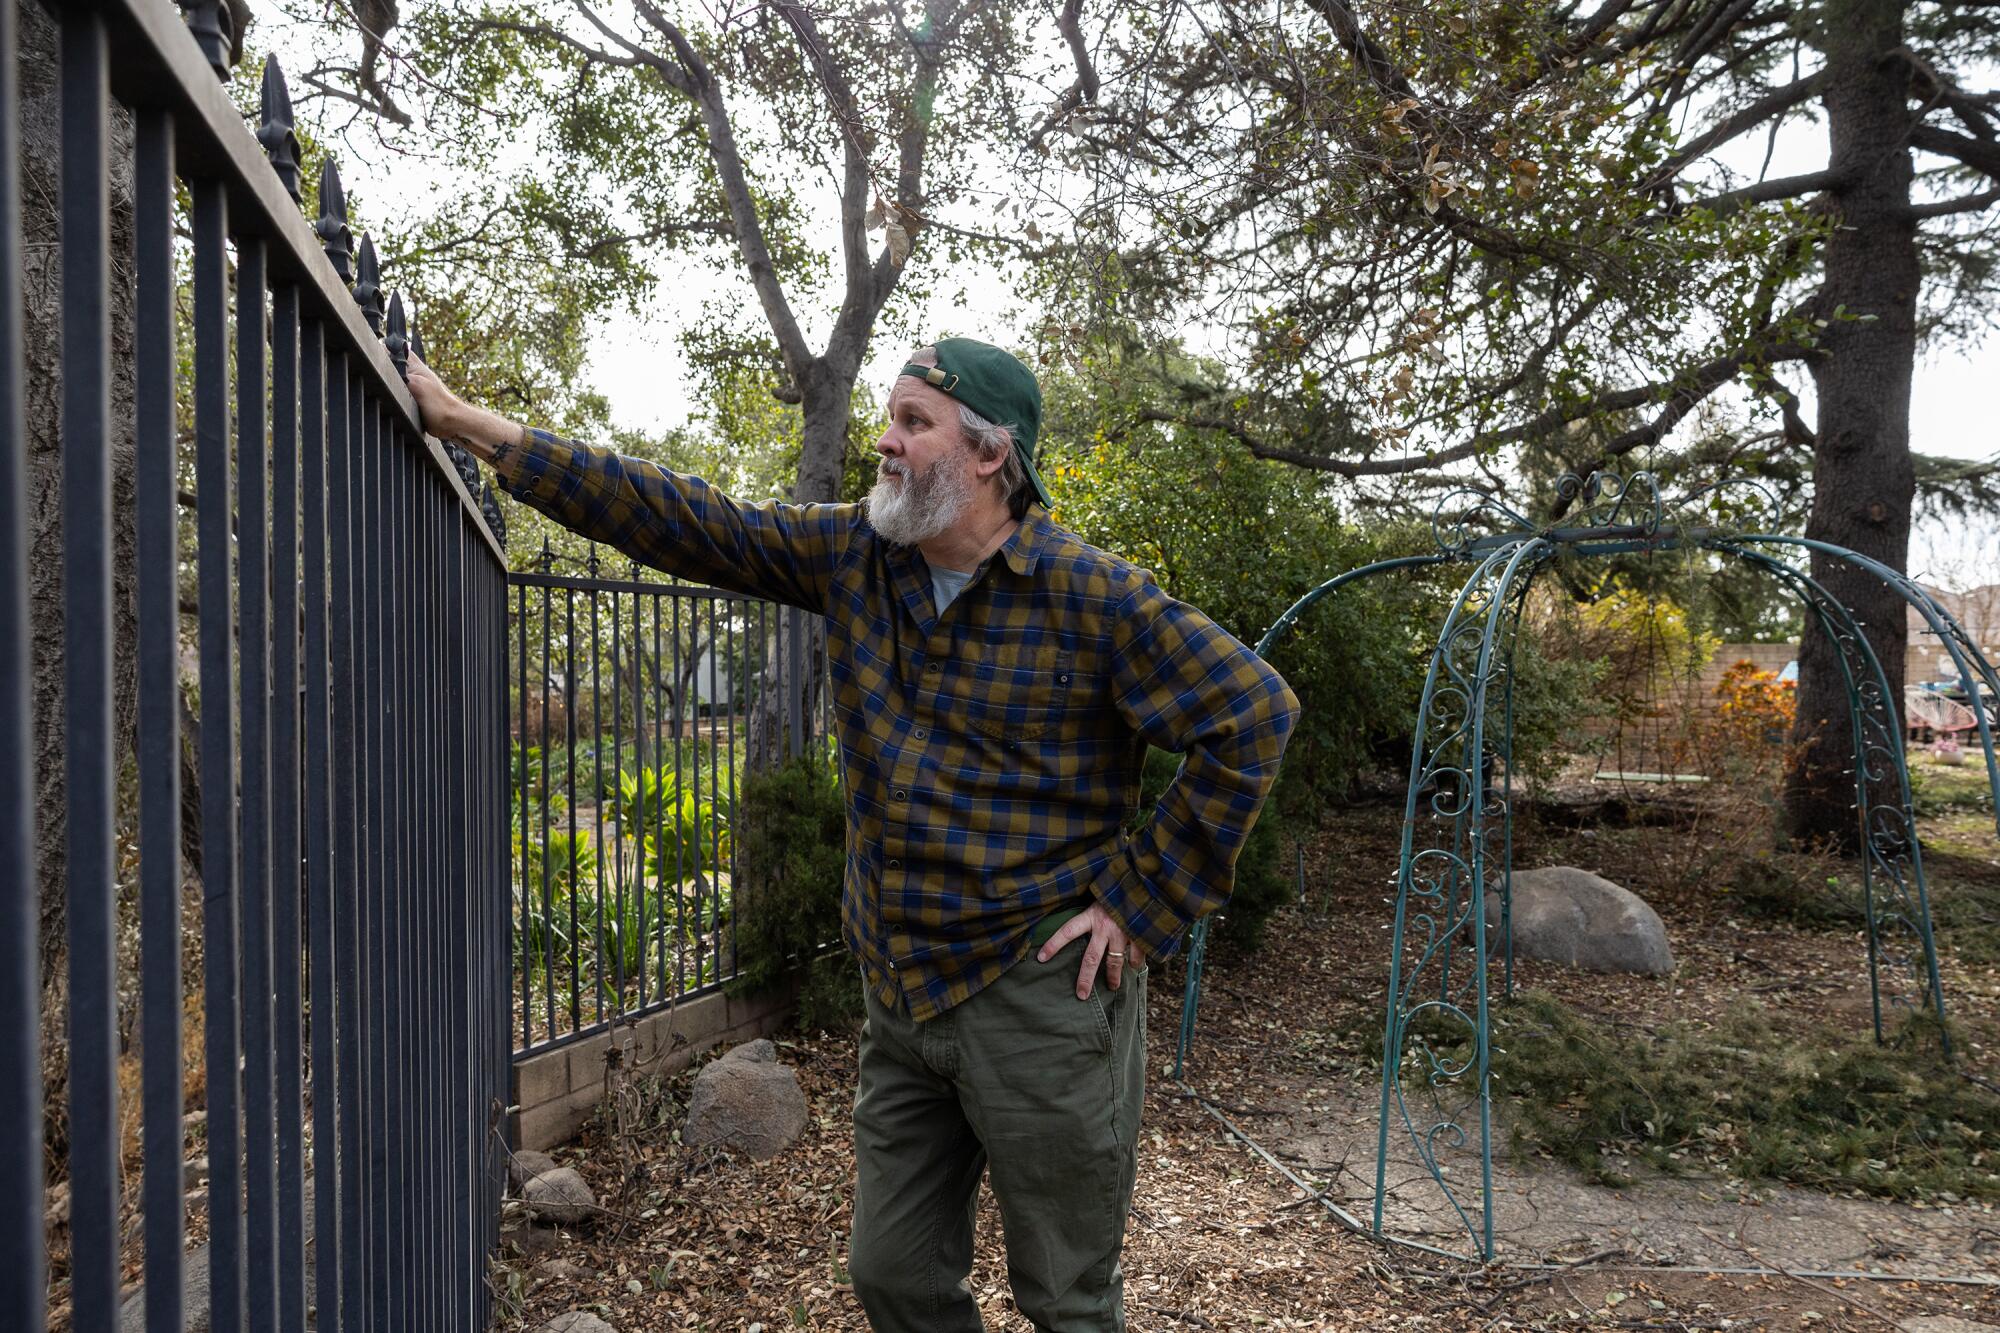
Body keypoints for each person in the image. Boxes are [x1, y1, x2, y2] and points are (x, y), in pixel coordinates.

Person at [405, 337, 1298, 1332]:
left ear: (988, 456)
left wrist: (1138, 905)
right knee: (892, 1274)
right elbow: (686, 520)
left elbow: (1250, 714)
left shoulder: (1092, 600)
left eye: (913, 423)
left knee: (1067, 1299)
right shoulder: (857, 557)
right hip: (904, 996)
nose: (884, 439)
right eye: (890, 416)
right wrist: (488, 434)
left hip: (1039, 1001)